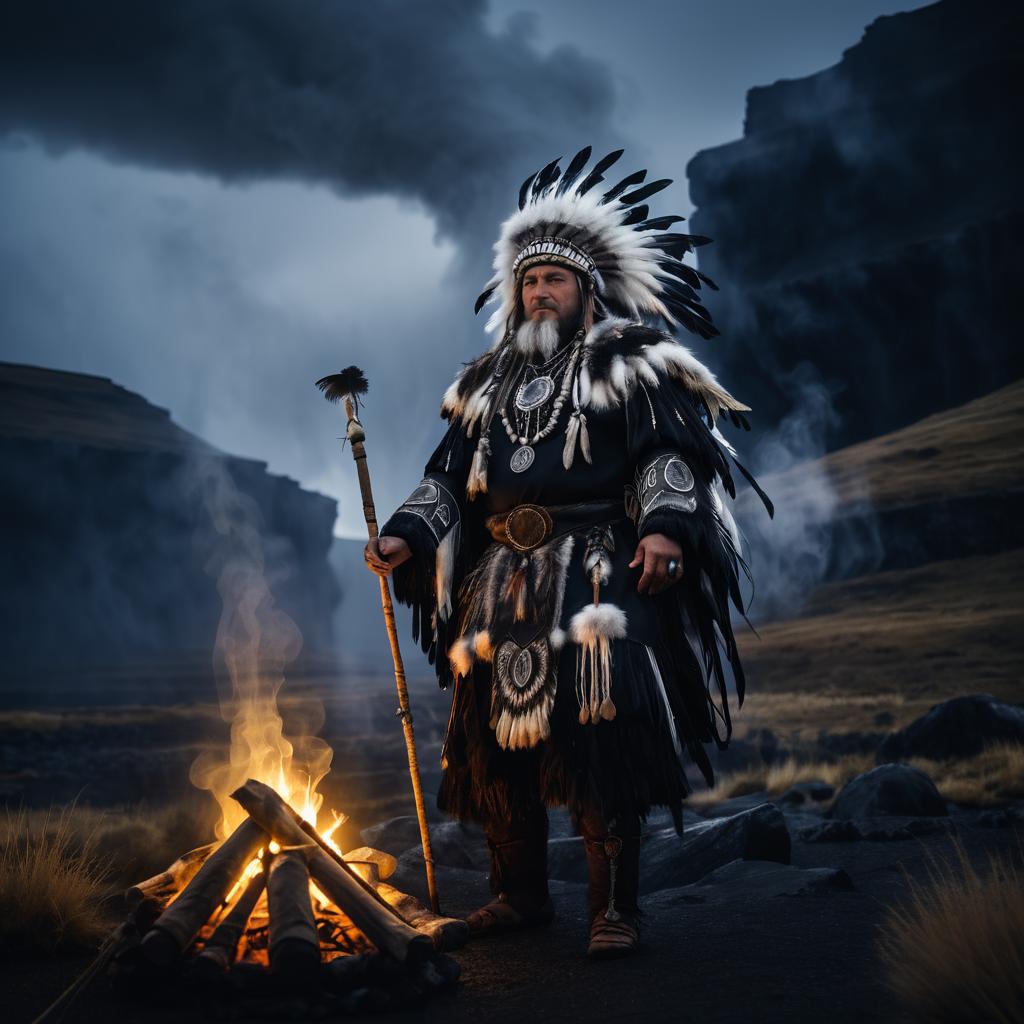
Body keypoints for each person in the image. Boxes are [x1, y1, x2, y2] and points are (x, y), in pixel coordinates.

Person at [364, 148, 772, 958]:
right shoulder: (484, 384)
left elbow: (669, 457)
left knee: (601, 733)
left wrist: (663, 528)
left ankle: (612, 911)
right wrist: (404, 534)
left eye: (554, 278)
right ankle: (518, 898)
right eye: (528, 280)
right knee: (488, 739)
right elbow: (449, 477)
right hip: (499, 584)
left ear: (586, 289)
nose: (538, 291)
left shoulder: (632, 363)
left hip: (597, 576)